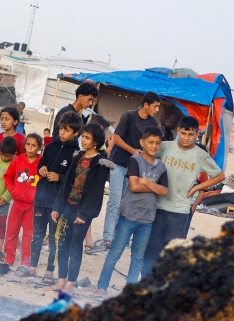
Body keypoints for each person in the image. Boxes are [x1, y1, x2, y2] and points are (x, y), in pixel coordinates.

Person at [142, 116, 225, 275]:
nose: (186, 137)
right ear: (178, 131)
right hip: (158, 206)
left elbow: (220, 176)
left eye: (191, 134)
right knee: (151, 249)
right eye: (183, 133)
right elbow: (146, 154)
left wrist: (197, 188)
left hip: (180, 211)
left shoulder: (200, 155)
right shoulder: (165, 146)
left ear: (197, 134)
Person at [95, 125, 168, 294]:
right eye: (150, 142)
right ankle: (102, 286)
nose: (154, 146)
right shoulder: (135, 160)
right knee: (115, 253)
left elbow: (164, 191)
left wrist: (146, 182)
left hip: (147, 220)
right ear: (142, 142)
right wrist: (154, 187)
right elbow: (134, 186)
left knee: (138, 258)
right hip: (128, 217)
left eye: (157, 143)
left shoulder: (161, 167)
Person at [49, 122, 114, 293]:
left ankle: (71, 282)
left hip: (82, 212)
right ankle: (61, 279)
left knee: (75, 245)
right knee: (63, 243)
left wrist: (84, 214)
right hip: (68, 206)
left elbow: (95, 192)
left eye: (87, 138)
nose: (82, 140)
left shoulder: (101, 163)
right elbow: (66, 184)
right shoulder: (78, 157)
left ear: (95, 142)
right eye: (82, 137)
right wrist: (57, 206)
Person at [95, 92, 161, 256]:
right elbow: (116, 138)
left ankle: (118, 238)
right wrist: (133, 151)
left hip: (136, 170)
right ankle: (108, 237)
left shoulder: (153, 123)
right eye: (155, 106)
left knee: (125, 205)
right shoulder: (129, 116)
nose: (157, 110)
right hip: (120, 164)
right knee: (114, 201)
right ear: (146, 104)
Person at [31, 111, 80, 283]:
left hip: (56, 203)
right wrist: (41, 169)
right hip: (40, 198)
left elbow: (73, 179)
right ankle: (32, 266)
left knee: (54, 238)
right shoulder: (51, 146)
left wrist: (59, 177)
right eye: (61, 129)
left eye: (66, 130)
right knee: (37, 233)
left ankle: (50, 271)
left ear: (76, 133)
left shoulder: (76, 154)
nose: (62, 133)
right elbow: (41, 162)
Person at [3, 132, 42, 273]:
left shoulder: (41, 163)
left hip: (32, 206)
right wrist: (13, 190)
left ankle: (25, 260)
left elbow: (44, 183)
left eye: (34, 146)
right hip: (17, 203)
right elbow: (7, 176)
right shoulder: (18, 160)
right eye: (28, 145)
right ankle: (9, 258)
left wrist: (38, 196)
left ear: (39, 148)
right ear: (24, 145)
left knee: (28, 235)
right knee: (12, 232)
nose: (30, 148)